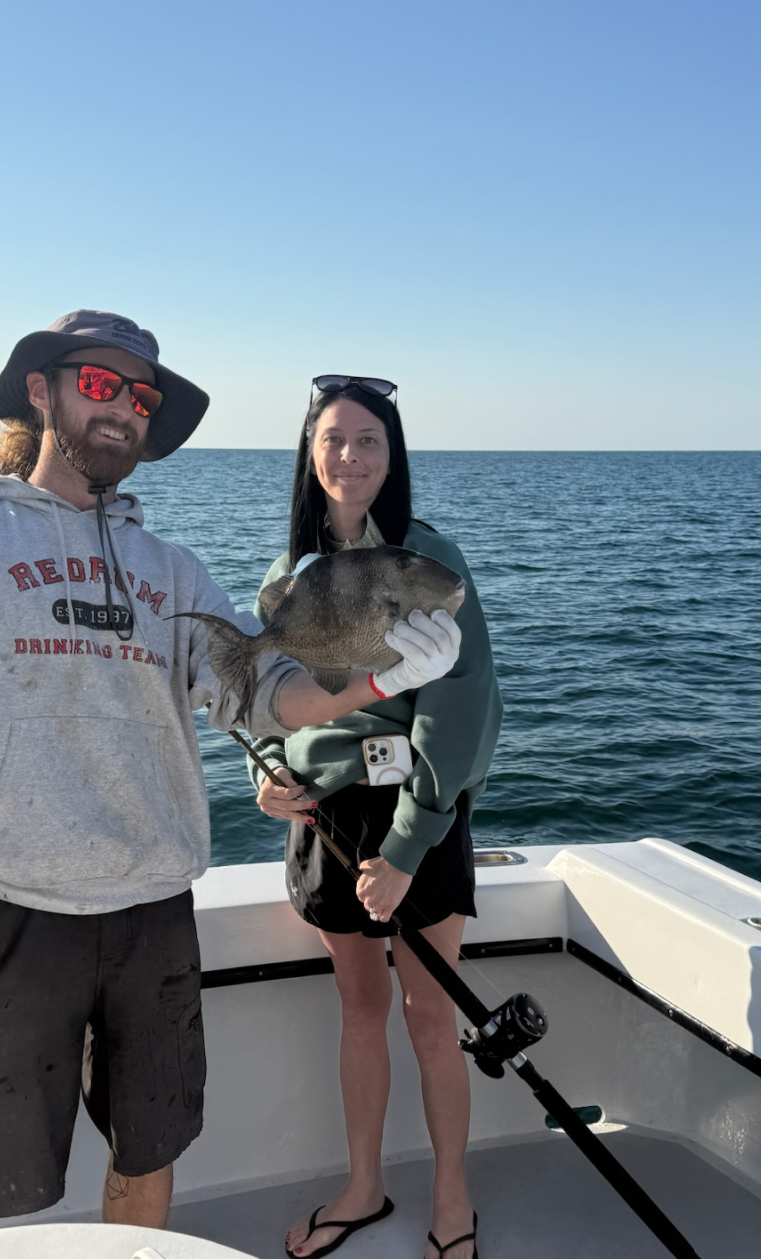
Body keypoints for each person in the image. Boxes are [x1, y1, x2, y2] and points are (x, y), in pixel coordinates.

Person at [0, 317, 462, 1245]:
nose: (122, 408)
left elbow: (260, 695)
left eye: (141, 396)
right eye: (100, 383)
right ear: (39, 392)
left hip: (152, 913)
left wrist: (376, 682)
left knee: (148, 1158)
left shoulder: (172, 572)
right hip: (8, 913)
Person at [249, 376, 502, 1260]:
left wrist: (406, 846)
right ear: (309, 454)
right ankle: (363, 1188)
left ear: (391, 457)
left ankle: (451, 1199)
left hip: (414, 815)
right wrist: (270, 775)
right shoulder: (288, 575)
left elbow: (462, 708)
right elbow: (266, 703)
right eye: (332, 439)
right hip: (323, 817)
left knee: (431, 1016)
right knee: (360, 1011)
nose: (348, 456)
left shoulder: (428, 560)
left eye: (368, 440)